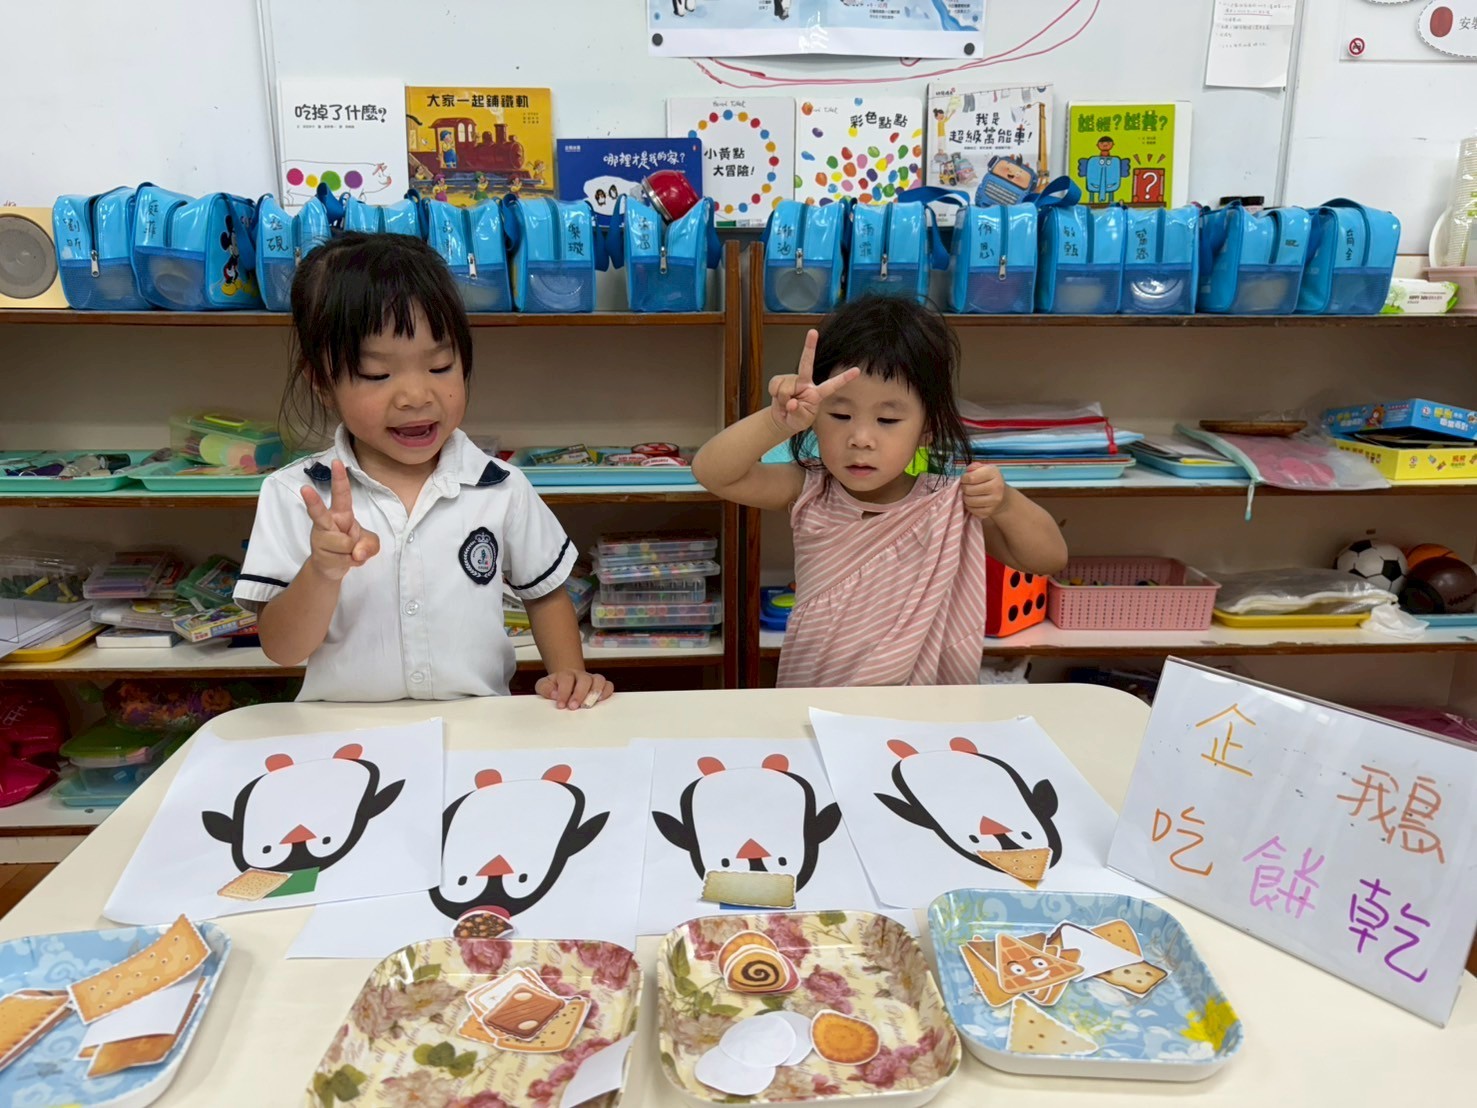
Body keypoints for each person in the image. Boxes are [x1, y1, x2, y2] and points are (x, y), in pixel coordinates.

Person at [234, 233, 612, 709]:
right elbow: (281, 649)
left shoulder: (500, 486)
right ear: (322, 383)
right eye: (377, 374)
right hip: (346, 733)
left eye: (440, 366)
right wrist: (322, 572)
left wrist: (568, 674)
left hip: (476, 725)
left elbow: (545, 594)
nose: (416, 396)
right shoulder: (296, 495)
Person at [692, 296, 1066, 687]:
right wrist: (776, 422)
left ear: (927, 429)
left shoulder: (948, 505)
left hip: (921, 710)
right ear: (815, 418)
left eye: (887, 419)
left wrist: (1006, 504)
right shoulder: (809, 488)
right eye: (840, 415)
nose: (861, 438)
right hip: (818, 699)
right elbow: (713, 472)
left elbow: (1048, 558)